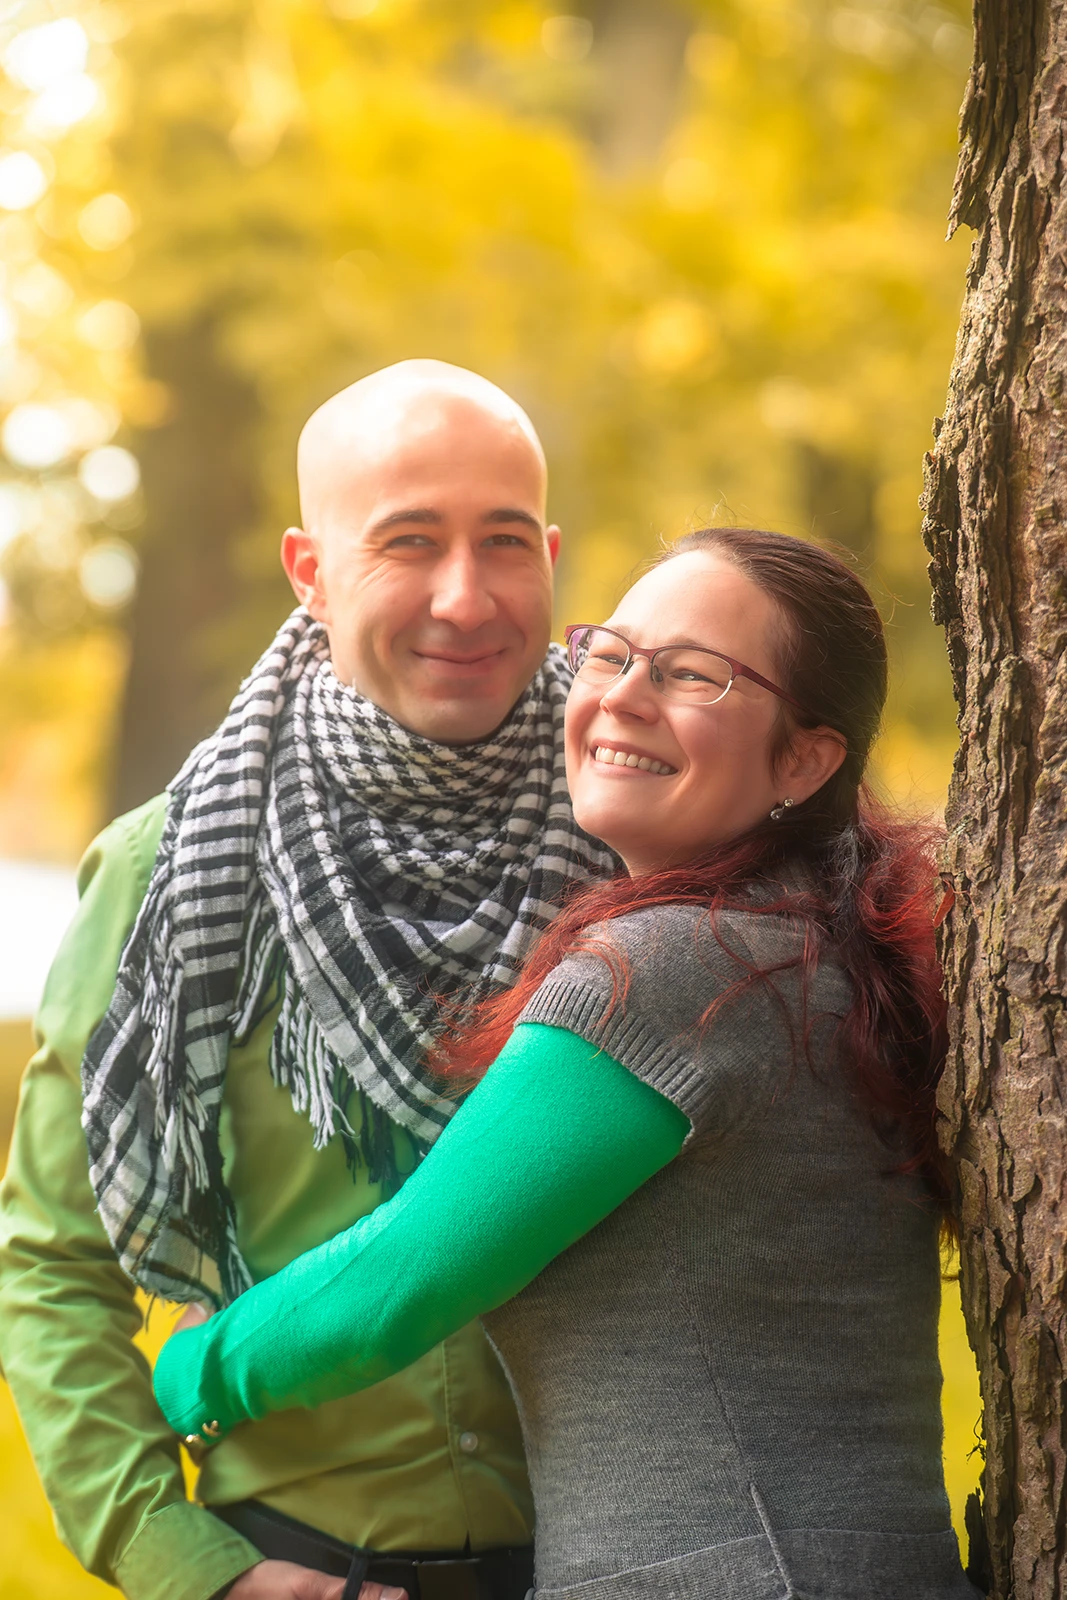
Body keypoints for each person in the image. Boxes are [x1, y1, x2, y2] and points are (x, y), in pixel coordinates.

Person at [152, 528, 980, 1600]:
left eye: (690, 674)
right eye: (610, 651)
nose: (624, 695)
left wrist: (187, 1372)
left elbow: (398, 1279)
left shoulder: (676, 965)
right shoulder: (814, 940)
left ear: (803, 758)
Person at [0, 360, 617, 1600]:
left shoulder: (646, 843)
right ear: (309, 570)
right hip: (299, 1565)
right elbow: (55, 1267)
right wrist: (194, 1570)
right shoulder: (168, 871)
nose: (466, 595)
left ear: (549, 554)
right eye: (407, 542)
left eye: (504, 542)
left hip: (629, 1557)